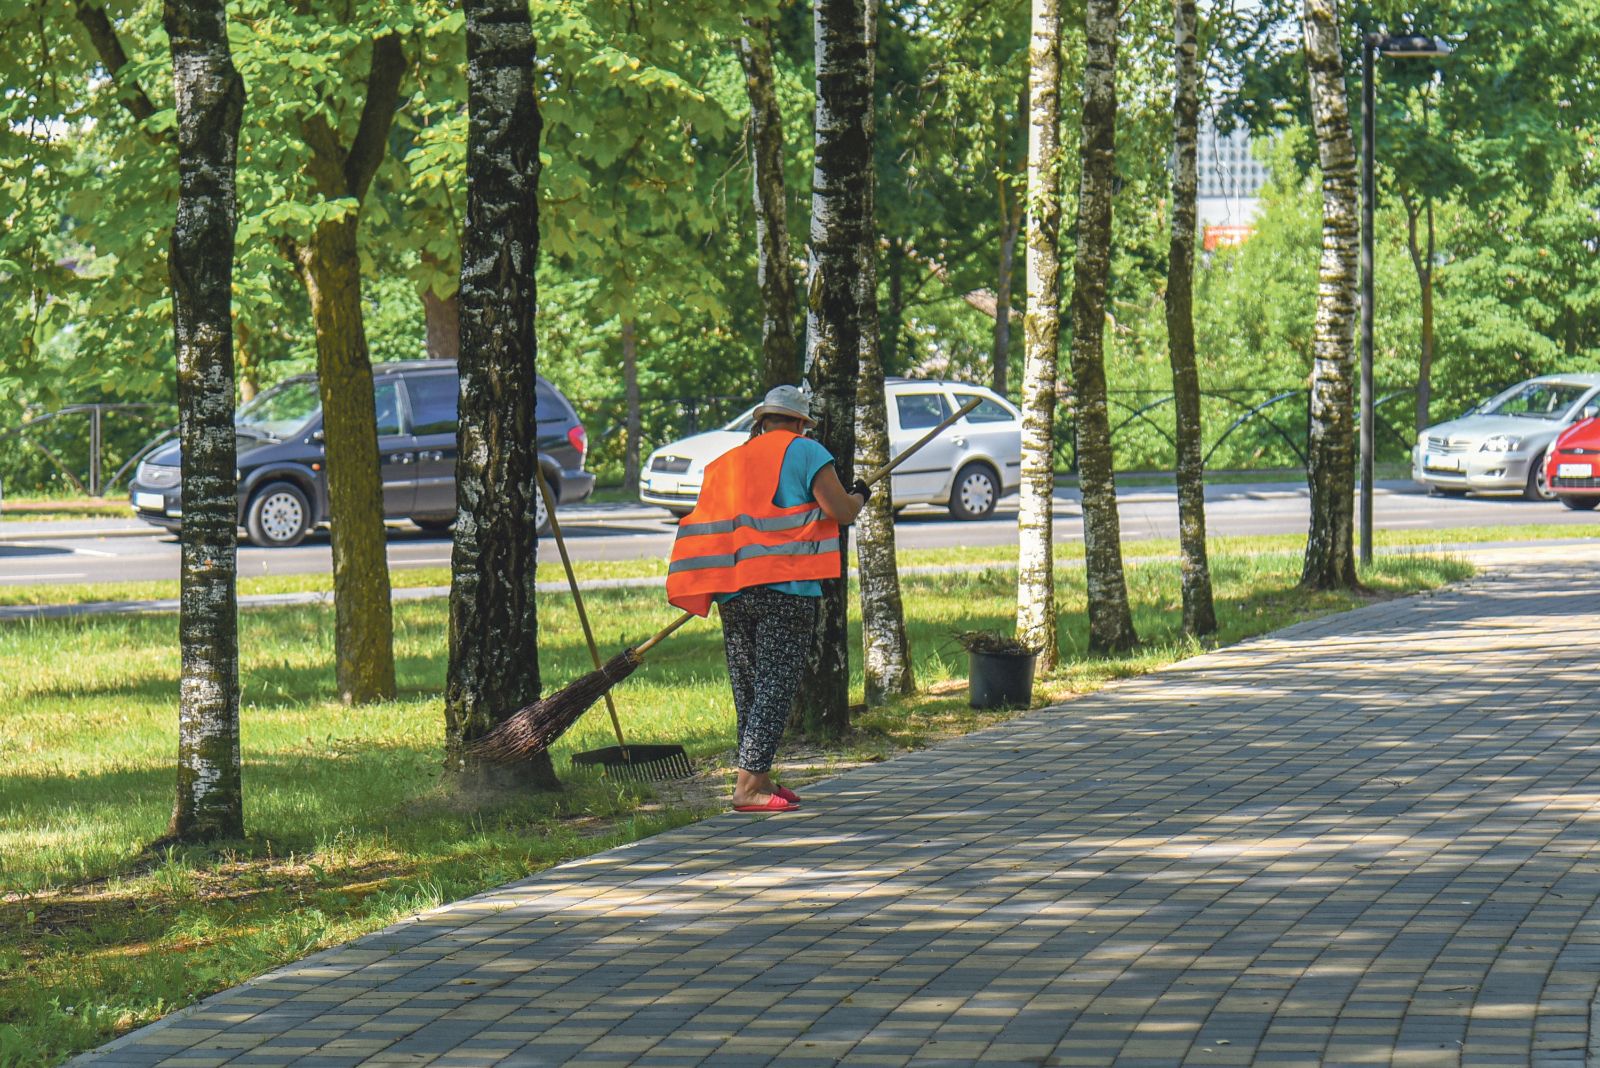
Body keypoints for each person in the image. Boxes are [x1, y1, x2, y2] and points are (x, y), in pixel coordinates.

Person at [665, 384, 870, 813]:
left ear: (761, 420)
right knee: (775, 686)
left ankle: (759, 775)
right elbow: (841, 512)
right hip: (787, 587)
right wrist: (861, 494)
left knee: (750, 686)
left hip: (734, 591)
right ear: (800, 423)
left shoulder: (726, 462)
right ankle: (748, 789)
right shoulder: (807, 452)